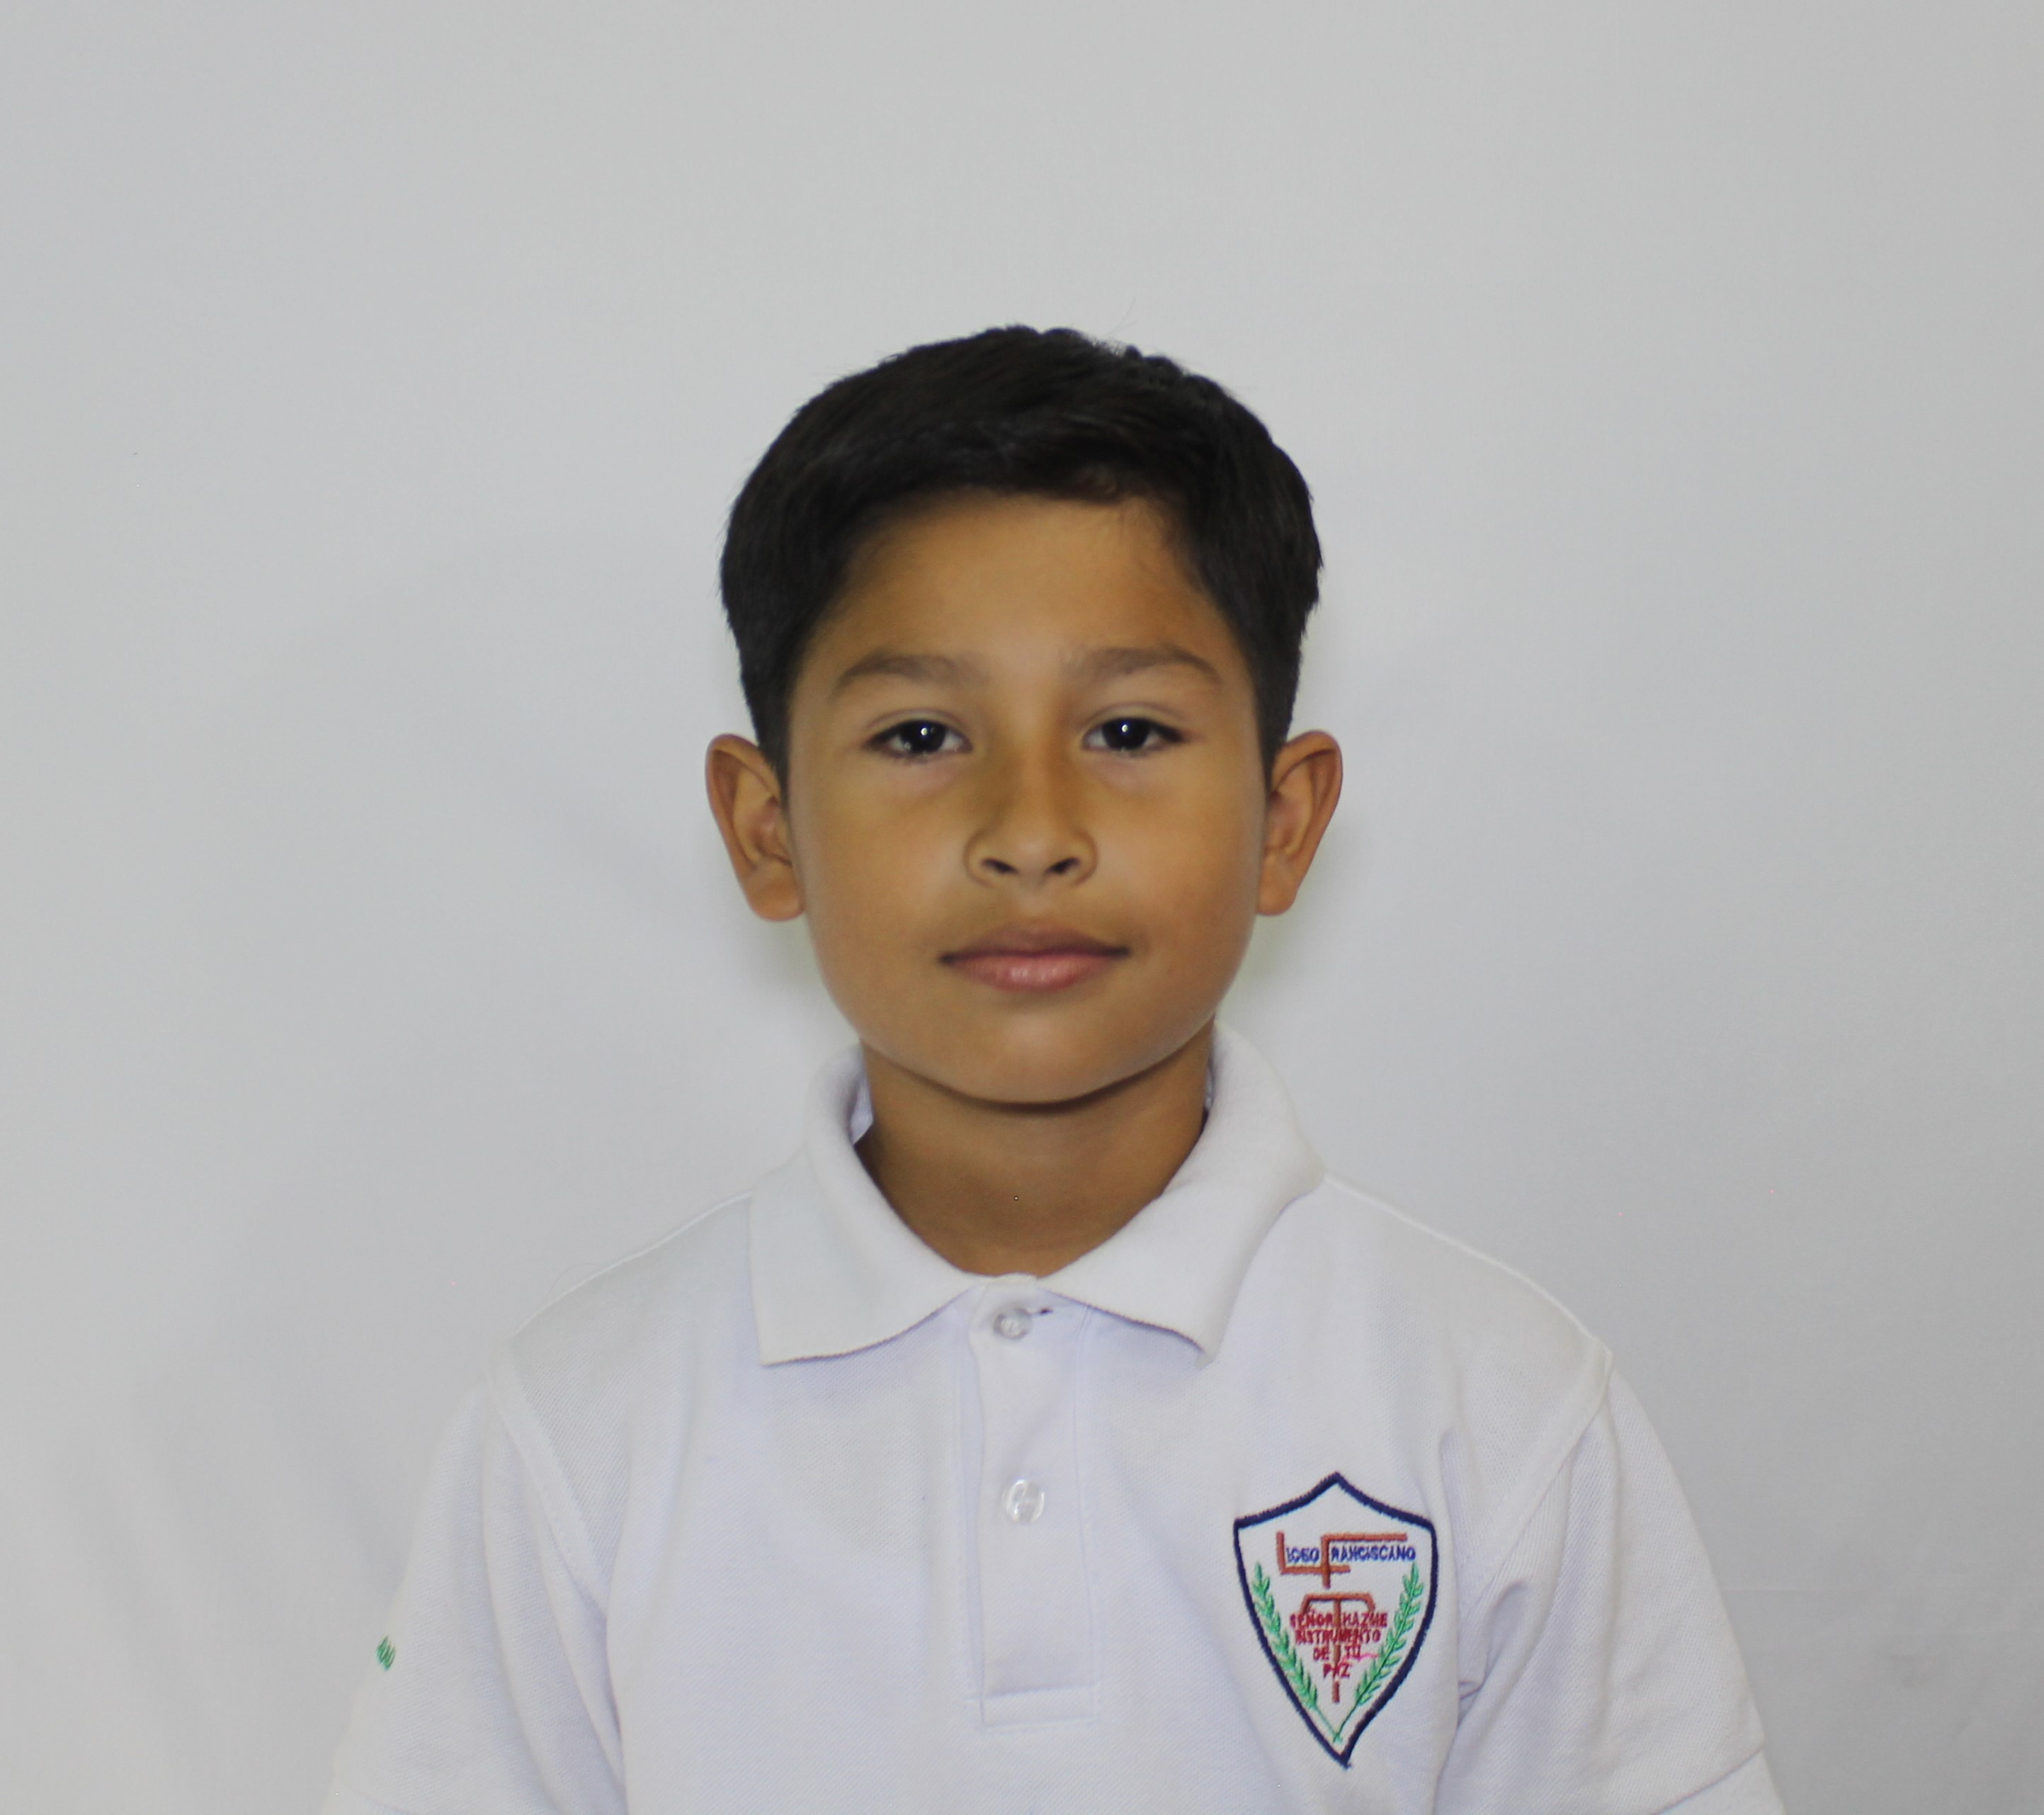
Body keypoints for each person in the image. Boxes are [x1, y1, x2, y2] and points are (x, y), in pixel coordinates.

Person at [320, 327, 1782, 1813]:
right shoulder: (582, 1431)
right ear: (768, 830)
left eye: (1128, 730)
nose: (1030, 832)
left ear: (1283, 821)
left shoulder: (1498, 1406)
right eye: (922, 735)